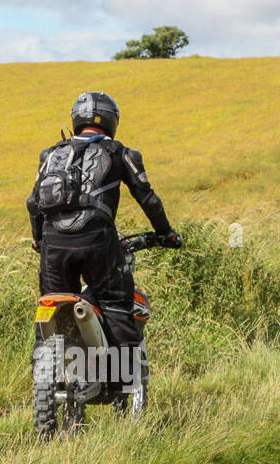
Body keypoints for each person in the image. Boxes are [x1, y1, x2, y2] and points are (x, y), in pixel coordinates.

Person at [27, 91, 180, 384]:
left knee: (51, 307)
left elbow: (33, 203)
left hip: (53, 244)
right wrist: (165, 233)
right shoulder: (121, 153)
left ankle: (45, 377)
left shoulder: (51, 155)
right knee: (116, 304)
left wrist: (39, 239)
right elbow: (148, 199)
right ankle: (121, 385)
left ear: (76, 120)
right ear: (112, 121)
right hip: (97, 241)